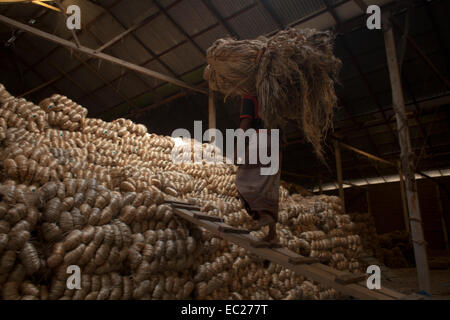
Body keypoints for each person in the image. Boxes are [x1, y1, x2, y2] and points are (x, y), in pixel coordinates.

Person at [234, 94, 281, 244]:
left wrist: (237, 148)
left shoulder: (249, 95)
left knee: (242, 180)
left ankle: (262, 217)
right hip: (276, 141)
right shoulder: (273, 95)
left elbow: (245, 124)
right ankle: (272, 233)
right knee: (269, 184)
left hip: (262, 139)